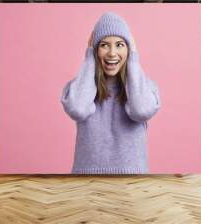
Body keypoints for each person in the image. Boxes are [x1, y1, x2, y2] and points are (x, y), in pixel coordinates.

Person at [60, 12, 161, 174]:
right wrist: (89, 59)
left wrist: (133, 60)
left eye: (120, 44)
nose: (112, 53)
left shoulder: (145, 87)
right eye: (104, 45)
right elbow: (77, 109)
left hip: (132, 178)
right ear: (95, 50)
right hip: (86, 177)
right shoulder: (79, 87)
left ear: (129, 49)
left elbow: (141, 111)